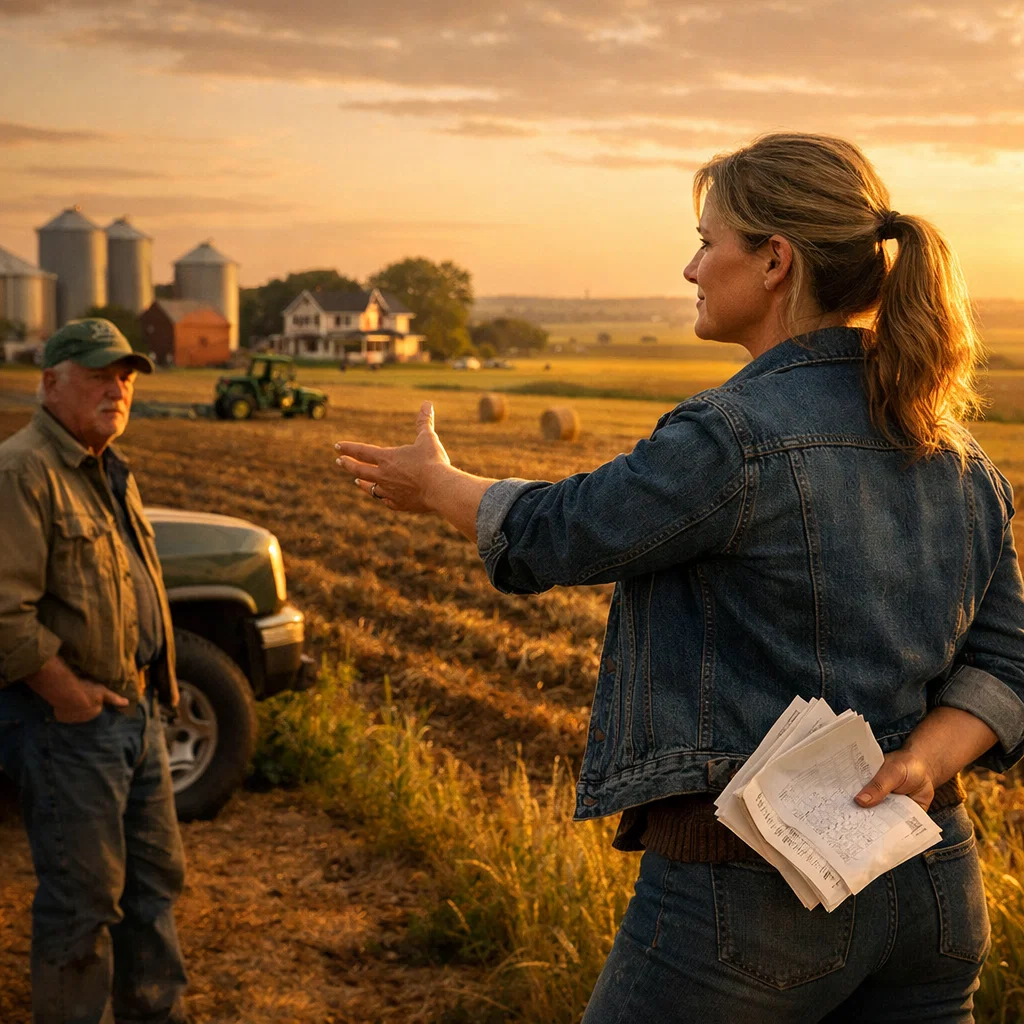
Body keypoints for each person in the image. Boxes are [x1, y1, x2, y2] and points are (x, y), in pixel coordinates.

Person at [334, 132, 1024, 1022]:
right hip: (930, 884)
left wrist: (434, 485)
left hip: (754, 894)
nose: (692, 268)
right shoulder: (962, 457)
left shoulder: (733, 436)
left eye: (708, 242)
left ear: (776, 261)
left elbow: (563, 531)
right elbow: (1008, 659)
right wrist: (921, 764)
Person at [0, 319, 189, 1024]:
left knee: (153, 890)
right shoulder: (24, 471)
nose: (118, 388)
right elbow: (3, 611)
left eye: (127, 376)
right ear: (50, 383)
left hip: (133, 720)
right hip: (69, 729)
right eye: (99, 375)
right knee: (83, 906)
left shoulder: (107, 468)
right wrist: (69, 694)